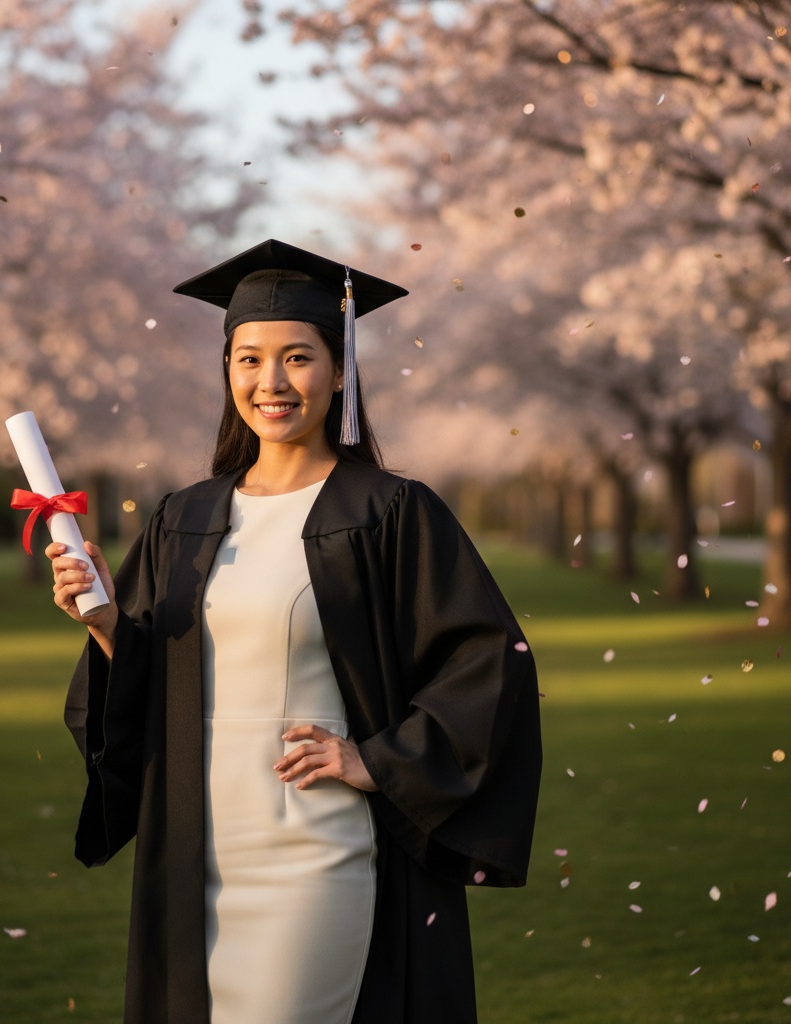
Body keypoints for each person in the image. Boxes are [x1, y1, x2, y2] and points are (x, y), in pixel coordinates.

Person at [46, 239, 541, 1024]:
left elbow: (490, 661)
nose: (270, 383)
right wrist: (107, 624)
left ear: (340, 370)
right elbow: (155, 691)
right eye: (248, 359)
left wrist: (374, 758)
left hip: (317, 850)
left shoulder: (388, 512)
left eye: (297, 358)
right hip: (196, 849)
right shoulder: (186, 516)